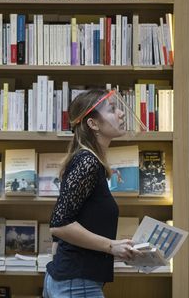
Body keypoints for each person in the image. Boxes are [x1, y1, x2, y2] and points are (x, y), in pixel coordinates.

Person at [44, 89, 141, 298]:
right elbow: (59, 224)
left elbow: (67, 226)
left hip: (73, 281)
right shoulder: (87, 161)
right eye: (112, 109)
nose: (121, 114)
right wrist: (111, 246)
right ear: (93, 124)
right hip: (75, 284)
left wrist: (118, 249)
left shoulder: (91, 161)